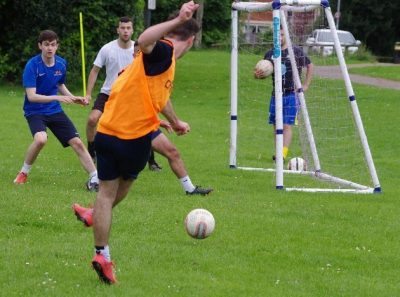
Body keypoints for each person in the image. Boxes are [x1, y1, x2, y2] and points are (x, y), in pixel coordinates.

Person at [78, 1, 201, 284]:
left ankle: (102, 253)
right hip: (132, 137)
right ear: (191, 40)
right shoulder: (165, 50)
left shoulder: (162, 65)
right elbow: (145, 40)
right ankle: (96, 216)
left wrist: (175, 120)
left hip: (106, 132)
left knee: (106, 194)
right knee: (115, 192)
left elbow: (159, 95)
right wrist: (179, 19)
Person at [84, 16, 211, 195]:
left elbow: (157, 99)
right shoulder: (143, 63)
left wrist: (171, 121)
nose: (138, 54)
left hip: (142, 123)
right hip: (126, 124)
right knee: (120, 174)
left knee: (171, 152)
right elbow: (131, 101)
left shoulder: (159, 67)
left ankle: (189, 189)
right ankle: (95, 183)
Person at [14, 30, 99, 191]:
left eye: (53, 45)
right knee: (40, 139)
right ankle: (23, 172)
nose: (50, 48)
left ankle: (95, 177)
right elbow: (31, 96)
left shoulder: (61, 64)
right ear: (40, 46)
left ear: (57, 46)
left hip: (54, 110)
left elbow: (60, 85)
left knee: (77, 142)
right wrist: (58, 98)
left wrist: (74, 98)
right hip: (35, 111)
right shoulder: (32, 65)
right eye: (46, 45)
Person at [84, 16, 162, 172]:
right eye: (123, 28)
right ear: (117, 30)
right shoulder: (107, 49)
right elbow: (95, 71)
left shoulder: (139, 49)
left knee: (144, 126)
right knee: (92, 120)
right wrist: (88, 94)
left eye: (128, 28)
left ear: (132, 30)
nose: (125, 31)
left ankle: (151, 161)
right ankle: (92, 152)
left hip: (132, 95)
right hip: (108, 93)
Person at [254, 29, 313, 161]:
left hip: (291, 94)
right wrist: (257, 75)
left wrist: (306, 84)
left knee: (286, 125)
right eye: (276, 34)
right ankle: (278, 152)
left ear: (286, 35)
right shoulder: (270, 54)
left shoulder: (295, 51)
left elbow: (310, 65)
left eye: (281, 34)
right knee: (276, 125)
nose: (279, 37)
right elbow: (262, 72)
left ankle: (282, 154)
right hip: (276, 95)